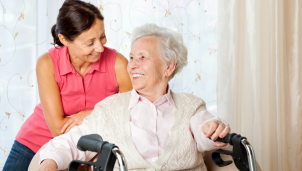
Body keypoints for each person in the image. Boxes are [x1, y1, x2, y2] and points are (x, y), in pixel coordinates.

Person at [37, 23, 230, 171]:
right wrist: (50, 162)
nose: (132, 65)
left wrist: (214, 129)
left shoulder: (191, 106)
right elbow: (73, 141)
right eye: (131, 58)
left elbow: (206, 132)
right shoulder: (109, 109)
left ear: (169, 67)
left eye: (142, 57)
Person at [3, 0, 132, 170]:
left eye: (102, 36)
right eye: (90, 43)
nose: (100, 47)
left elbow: (132, 112)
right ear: (64, 39)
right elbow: (58, 129)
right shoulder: (47, 63)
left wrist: (87, 114)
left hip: (88, 146)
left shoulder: (118, 64)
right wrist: (96, 115)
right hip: (34, 142)